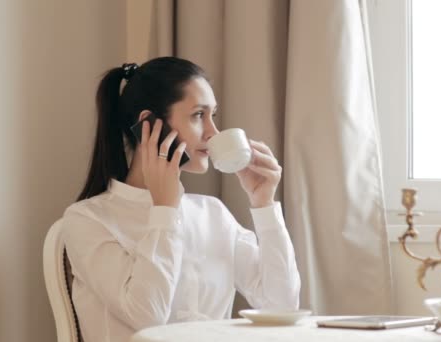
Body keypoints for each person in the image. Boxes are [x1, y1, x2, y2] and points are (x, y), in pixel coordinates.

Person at [61, 57, 301, 342]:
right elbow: (147, 319)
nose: (213, 132)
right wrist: (164, 209)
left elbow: (282, 306)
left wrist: (264, 206)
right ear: (150, 125)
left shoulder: (213, 214)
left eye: (214, 115)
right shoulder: (87, 219)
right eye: (199, 115)